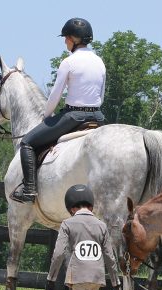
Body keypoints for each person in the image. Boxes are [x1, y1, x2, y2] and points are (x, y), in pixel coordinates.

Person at [11, 18, 106, 203]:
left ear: (74, 39)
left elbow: (55, 96)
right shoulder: (99, 62)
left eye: (66, 38)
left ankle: (29, 190)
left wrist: (46, 117)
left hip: (73, 116)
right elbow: (101, 96)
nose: (65, 41)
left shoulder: (69, 62)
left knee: (27, 142)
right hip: (98, 116)